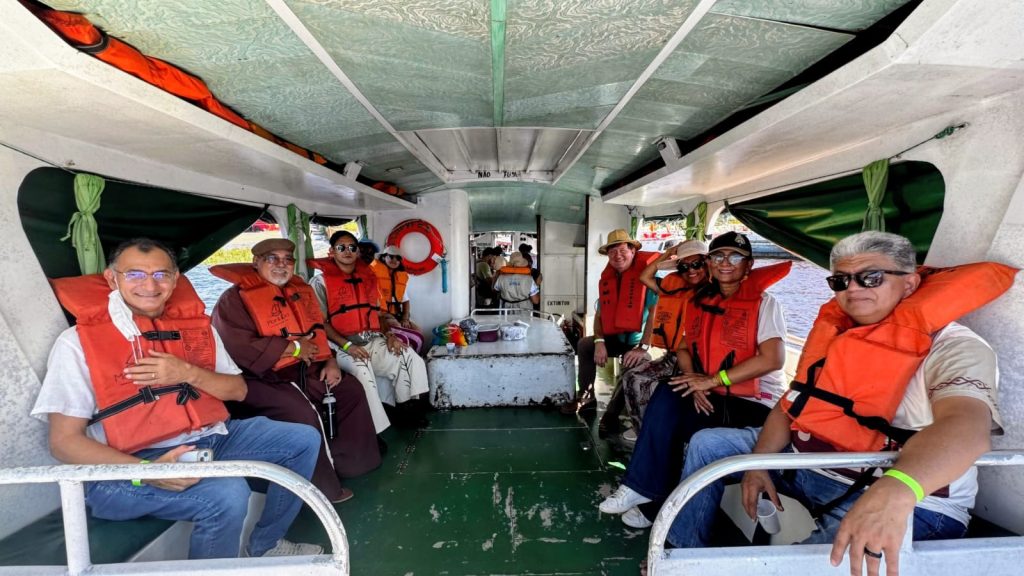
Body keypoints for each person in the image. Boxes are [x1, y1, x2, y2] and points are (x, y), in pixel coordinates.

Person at [664, 232, 1014, 573]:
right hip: (808, 463)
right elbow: (792, 404)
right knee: (708, 444)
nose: (853, 289)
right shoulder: (836, 332)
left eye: (871, 278)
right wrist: (758, 464)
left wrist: (899, 488)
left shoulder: (955, 347)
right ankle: (682, 554)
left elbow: (966, 428)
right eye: (841, 281)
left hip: (901, 495)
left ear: (909, 284)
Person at [31, 238, 323, 559]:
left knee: (303, 439)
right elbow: (63, 442)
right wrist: (148, 470)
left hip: (209, 440)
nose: (150, 285)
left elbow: (237, 390)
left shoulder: (198, 329)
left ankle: (265, 545)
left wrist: (186, 372)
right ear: (112, 279)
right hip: (125, 469)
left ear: (175, 280)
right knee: (228, 492)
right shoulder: (76, 344)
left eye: (161, 275)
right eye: (135, 274)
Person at [599, 231, 789, 528]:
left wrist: (712, 381)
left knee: (672, 421)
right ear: (711, 263)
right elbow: (684, 347)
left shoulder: (765, 303)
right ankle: (641, 488)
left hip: (755, 405)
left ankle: (651, 501)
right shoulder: (703, 301)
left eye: (735, 256)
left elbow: (772, 359)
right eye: (718, 256)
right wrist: (692, 379)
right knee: (668, 394)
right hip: (718, 397)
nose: (725, 262)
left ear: (749, 265)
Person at [210, 238, 381, 504]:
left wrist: (330, 361)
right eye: (272, 259)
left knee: (349, 389)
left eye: (287, 259)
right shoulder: (233, 301)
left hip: (305, 371)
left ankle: (352, 462)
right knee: (301, 413)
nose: (281, 265)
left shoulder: (299, 292)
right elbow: (239, 348)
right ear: (256, 262)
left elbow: (317, 331)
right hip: (261, 380)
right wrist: (295, 349)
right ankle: (323, 489)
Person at [309, 231, 429, 432]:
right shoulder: (320, 283)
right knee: (363, 371)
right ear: (332, 251)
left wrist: (390, 336)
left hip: (370, 339)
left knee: (408, 356)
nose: (347, 251)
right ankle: (374, 430)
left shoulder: (368, 279)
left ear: (357, 252)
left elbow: (378, 315)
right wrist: (348, 345)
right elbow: (320, 323)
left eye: (352, 247)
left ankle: (406, 409)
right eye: (341, 247)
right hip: (340, 346)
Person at [561, 229, 658, 417]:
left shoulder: (647, 280)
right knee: (584, 345)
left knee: (638, 364)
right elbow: (599, 316)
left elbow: (655, 315)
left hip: (636, 344)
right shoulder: (608, 280)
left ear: (633, 251)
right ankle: (587, 396)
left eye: (622, 250)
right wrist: (599, 342)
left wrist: (642, 347)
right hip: (612, 339)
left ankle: (613, 412)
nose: (617, 256)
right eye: (612, 252)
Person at [618, 239, 709, 437]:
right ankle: (644, 432)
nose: (691, 271)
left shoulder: (715, 292)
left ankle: (659, 434)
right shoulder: (674, 289)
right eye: (684, 266)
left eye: (696, 264)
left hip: (699, 363)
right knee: (632, 377)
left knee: (652, 387)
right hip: (673, 358)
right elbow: (645, 276)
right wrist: (669, 254)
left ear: (707, 263)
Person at [370, 245, 424, 352]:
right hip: (381, 315)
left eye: (398, 258)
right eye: (391, 257)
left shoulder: (400, 277)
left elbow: (405, 300)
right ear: (384, 257)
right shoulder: (374, 274)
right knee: (399, 327)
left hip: (396, 314)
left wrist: (405, 318)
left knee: (418, 330)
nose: (394, 260)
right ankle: (405, 357)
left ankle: (414, 357)